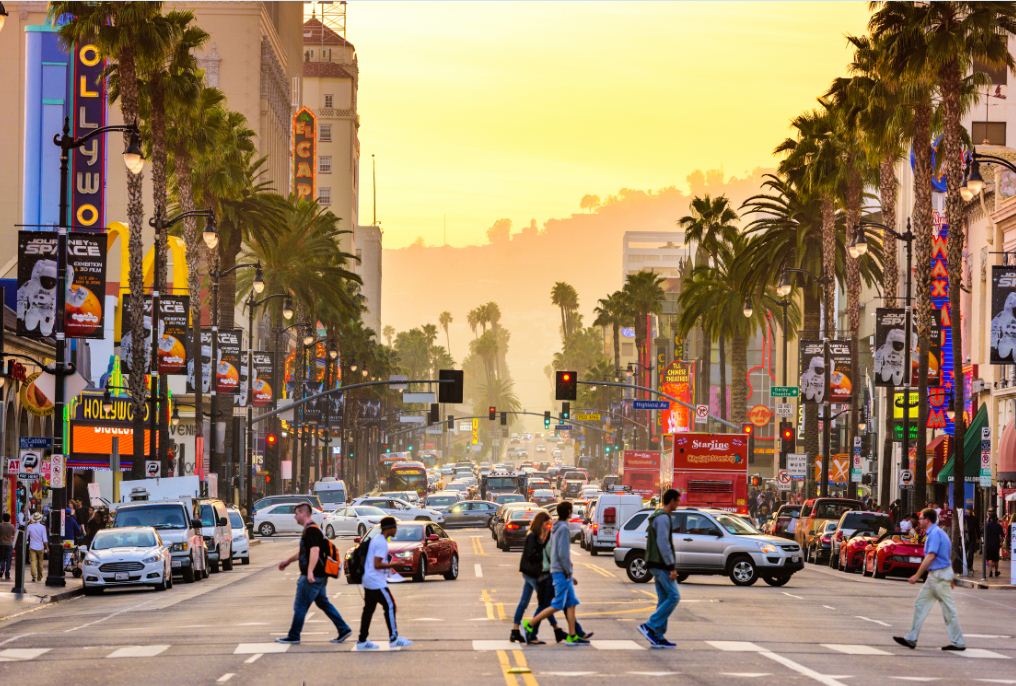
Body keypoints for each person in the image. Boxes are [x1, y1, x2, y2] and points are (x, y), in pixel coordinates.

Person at [275, 503, 352, 645]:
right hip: (319, 575)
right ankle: (343, 629)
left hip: (313, 576)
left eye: (296, 513)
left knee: (300, 606)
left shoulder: (311, 530)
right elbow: (305, 552)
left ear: (304, 513)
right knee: (323, 603)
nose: (295, 516)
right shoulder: (311, 530)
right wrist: (288, 561)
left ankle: (294, 635)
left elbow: (314, 551)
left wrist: (310, 571)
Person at [893, 508, 966, 651]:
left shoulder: (934, 534)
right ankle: (911, 638)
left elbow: (931, 556)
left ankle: (958, 642)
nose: (918, 521)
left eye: (921, 518)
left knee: (948, 610)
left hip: (938, 577)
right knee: (920, 605)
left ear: (927, 520)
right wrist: (950, 577)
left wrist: (917, 575)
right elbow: (945, 557)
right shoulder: (938, 533)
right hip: (936, 577)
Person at [522, 501, 589, 646]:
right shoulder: (564, 528)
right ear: (569, 512)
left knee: (571, 603)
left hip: (558, 570)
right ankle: (530, 623)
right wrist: (567, 571)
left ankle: (572, 635)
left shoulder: (556, 527)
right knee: (558, 604)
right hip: (561, 571)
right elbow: (563, 553)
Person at [512, 511, 570, 644]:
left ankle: (515, 630)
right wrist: (543, 542)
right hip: (533, 573)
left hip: (533, 573)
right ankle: (545, 631)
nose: (548, 525)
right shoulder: (533, 536)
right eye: (547, 523)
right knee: (545, 604)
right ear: (541, 522)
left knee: (526, 602)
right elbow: (533, 555)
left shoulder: (541, 535)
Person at [357, 516, 413, 650]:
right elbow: (377, 564)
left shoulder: (377, 540)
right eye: (395, 527)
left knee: (368, 610)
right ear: (390, 529)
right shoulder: (381, 542)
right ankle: (394, 638)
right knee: (390, 606)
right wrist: (395, 563)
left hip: (369, 579)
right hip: (376, 582)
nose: (396, 530)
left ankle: (362, 640)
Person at [639, 488, 680, 648]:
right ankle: (650, 625)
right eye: (677, 500)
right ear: (671, 501)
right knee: (674, 596)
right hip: (660, 563)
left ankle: (658, 636)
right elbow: (664, 544)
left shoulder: (660, 516)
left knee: (664, 598)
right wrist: (671, 566)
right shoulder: (663, 518)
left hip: (655, 562)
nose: (679, 503)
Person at [26, 513, 47, 583]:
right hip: (40, 547)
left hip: (32, 546)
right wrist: (47, 547)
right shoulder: (42, 527)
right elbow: (45, 539)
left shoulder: (30, 526)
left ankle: (34, 576)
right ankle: (39, 577)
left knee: (33, 561)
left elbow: (26, 537)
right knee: (40, 562)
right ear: (40, 519)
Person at [984, 510, 1004, 578]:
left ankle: (990, 572)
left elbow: (983, 533)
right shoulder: (998, 526)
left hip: (988, 544)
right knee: (996, 559)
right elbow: (1002, 535)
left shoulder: (987, 525)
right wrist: (1001, 542)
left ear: (990, 518)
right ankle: (996, 571)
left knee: (989, 558)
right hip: (996, 544)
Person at [0, 513, 15, 580]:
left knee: (2, 558)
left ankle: (1, 570)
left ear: (3, 518)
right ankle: (7, 573)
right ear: (9, 518)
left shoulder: (0, 525)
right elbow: (13, 534)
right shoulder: (12, 526)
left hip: (1, 544)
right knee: (8, 559)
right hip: (9, 544)